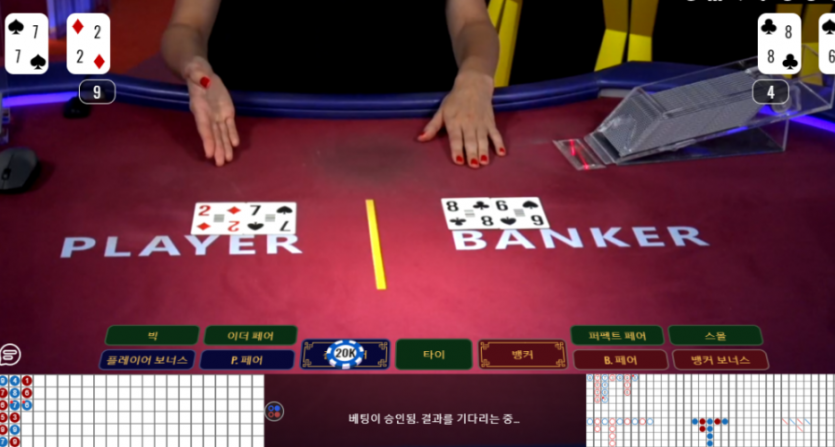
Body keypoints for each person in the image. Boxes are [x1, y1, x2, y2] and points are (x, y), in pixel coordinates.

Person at [161, 0, 506, 168]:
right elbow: (187, 28)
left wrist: (476, 76)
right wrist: (196, 67)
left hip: (416, 129)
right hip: (250, 130)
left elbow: (470, 23)